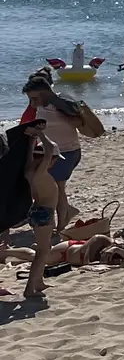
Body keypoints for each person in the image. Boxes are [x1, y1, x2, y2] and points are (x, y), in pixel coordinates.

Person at [22, 76, 86, 230]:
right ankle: (66, 213)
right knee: (50, 186)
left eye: (34, 98)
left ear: (44, 92)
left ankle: (61, 225)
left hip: (68, 152)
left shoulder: (59, 103)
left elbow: (79, 119)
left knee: (57, 188)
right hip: (54, 153)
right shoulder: (42, 105)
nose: (32, 103)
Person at [12, 122, 57, 300]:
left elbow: (34, 156)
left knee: (43, 249)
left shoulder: (29, 170)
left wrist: (32, 140)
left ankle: (37, 282)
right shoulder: (41, 173)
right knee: (41, 252)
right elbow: (50, 149)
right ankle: (30, 288)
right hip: (44, 212)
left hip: (38, 210)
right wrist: (41, 135)